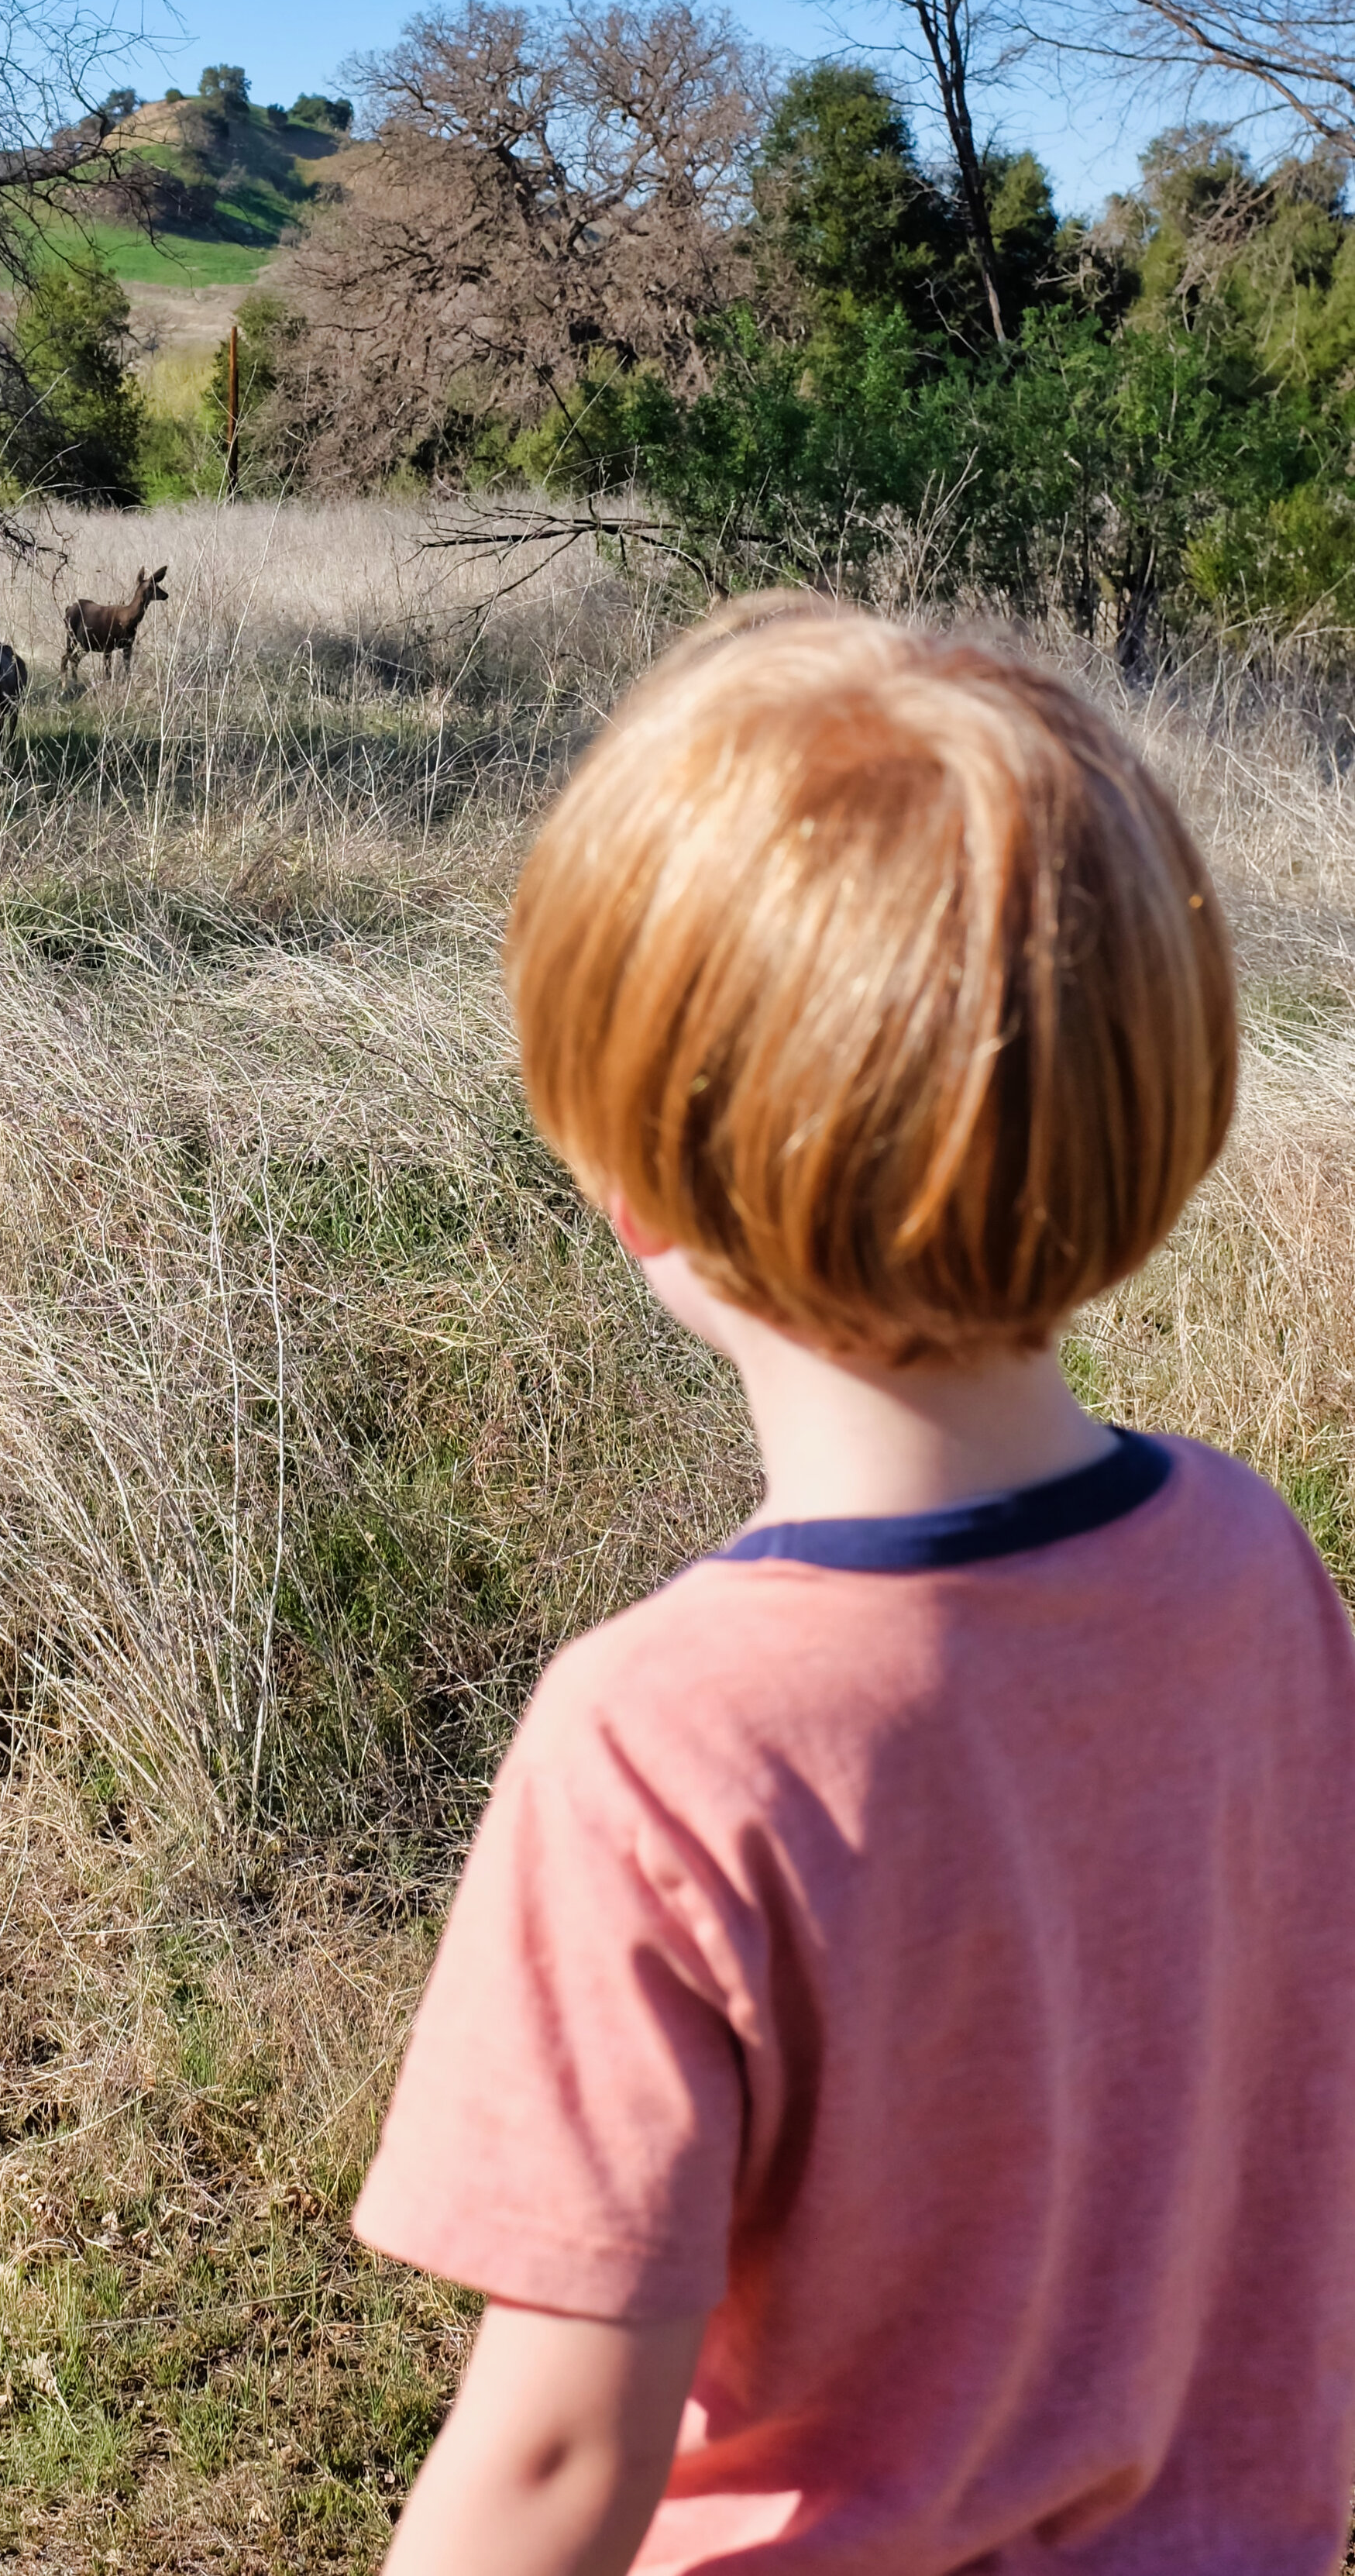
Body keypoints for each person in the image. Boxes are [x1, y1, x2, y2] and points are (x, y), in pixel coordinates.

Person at [353, 597, 1355, 2576]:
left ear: (629, 1169)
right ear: (1142, 1105)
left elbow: (557, 2461)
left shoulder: (657, 1744)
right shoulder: (1254, 1570)